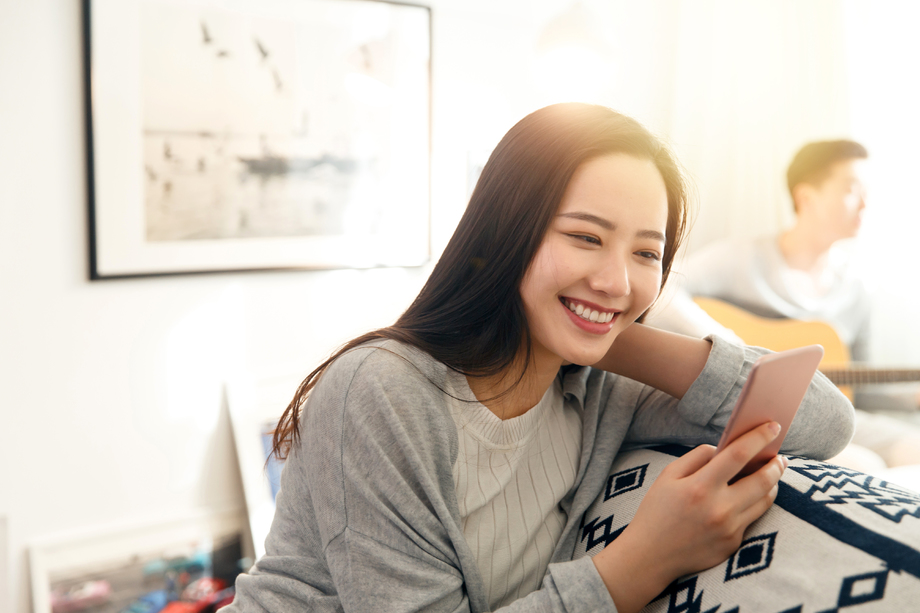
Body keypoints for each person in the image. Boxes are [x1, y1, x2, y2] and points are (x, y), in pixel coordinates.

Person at [224, 104, 853, 613]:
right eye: (585, 237)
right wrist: (643, 562)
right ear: (507, 231)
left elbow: (824, 422)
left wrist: (610, 326)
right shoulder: (383, 390)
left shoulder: (598, 388)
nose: (616, 278)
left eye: (646, 253)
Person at [646, 140, 920, 471]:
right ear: (806, 197)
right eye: (851, 189)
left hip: (834, 413)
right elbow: (663, 286)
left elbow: (857, 387)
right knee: (866, 464)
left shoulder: (857, 288)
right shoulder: (743, 258)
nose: (865, 204)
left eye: (867, 192)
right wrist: (735, 350)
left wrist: (912, 397)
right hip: (761, 416)